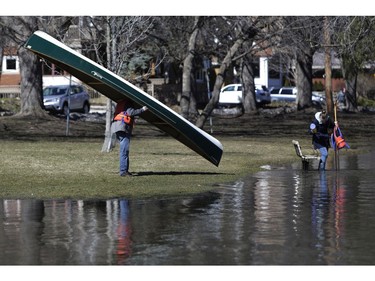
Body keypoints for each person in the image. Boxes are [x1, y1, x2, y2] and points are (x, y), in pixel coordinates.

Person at [112, 99, 148, 176]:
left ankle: (124, 170)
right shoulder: (128, 102)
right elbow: (130, 112)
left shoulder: (121, 102)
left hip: (116, 126)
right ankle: (123, 171)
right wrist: (142, 109)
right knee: (124, 151)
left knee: (124, 150)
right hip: (123, 127)